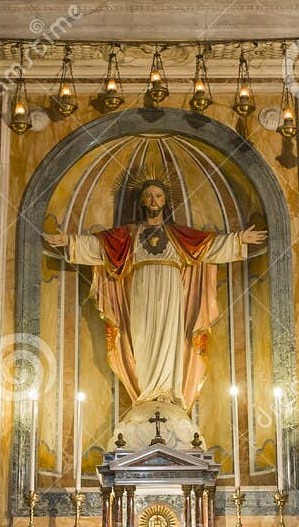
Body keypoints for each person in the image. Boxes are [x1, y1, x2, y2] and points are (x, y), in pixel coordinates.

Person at [44, 179, 264, 429]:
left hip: (172, 294)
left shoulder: (178, 235)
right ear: (141, 201)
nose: (153, 200)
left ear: (165, 201)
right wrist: (70, 242)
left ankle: (168, 393)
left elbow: (211, 246)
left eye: (158, 196)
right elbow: (99, 246)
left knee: (171, 339)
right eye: (148, 196)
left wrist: (238, 239)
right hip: (140, 292)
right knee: (141, 338)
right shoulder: (129, 235)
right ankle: (147, 393)